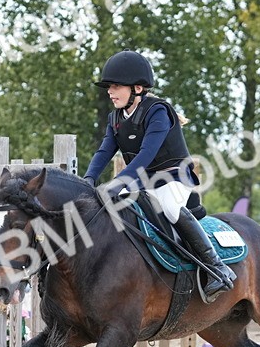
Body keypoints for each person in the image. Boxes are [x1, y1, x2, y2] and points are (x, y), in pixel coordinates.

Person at [84, 50, 236, 301]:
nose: (110, 92)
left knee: (169, 208)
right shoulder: (116, 118)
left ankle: (218, 269)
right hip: (143, 182)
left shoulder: (158, 112)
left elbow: (145, 155)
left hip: (173, 178)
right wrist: (89, 179)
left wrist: (118, 183)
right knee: (110, 208)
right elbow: (104, 151)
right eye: (109, 87)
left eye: (115, 86)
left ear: (137, 88)